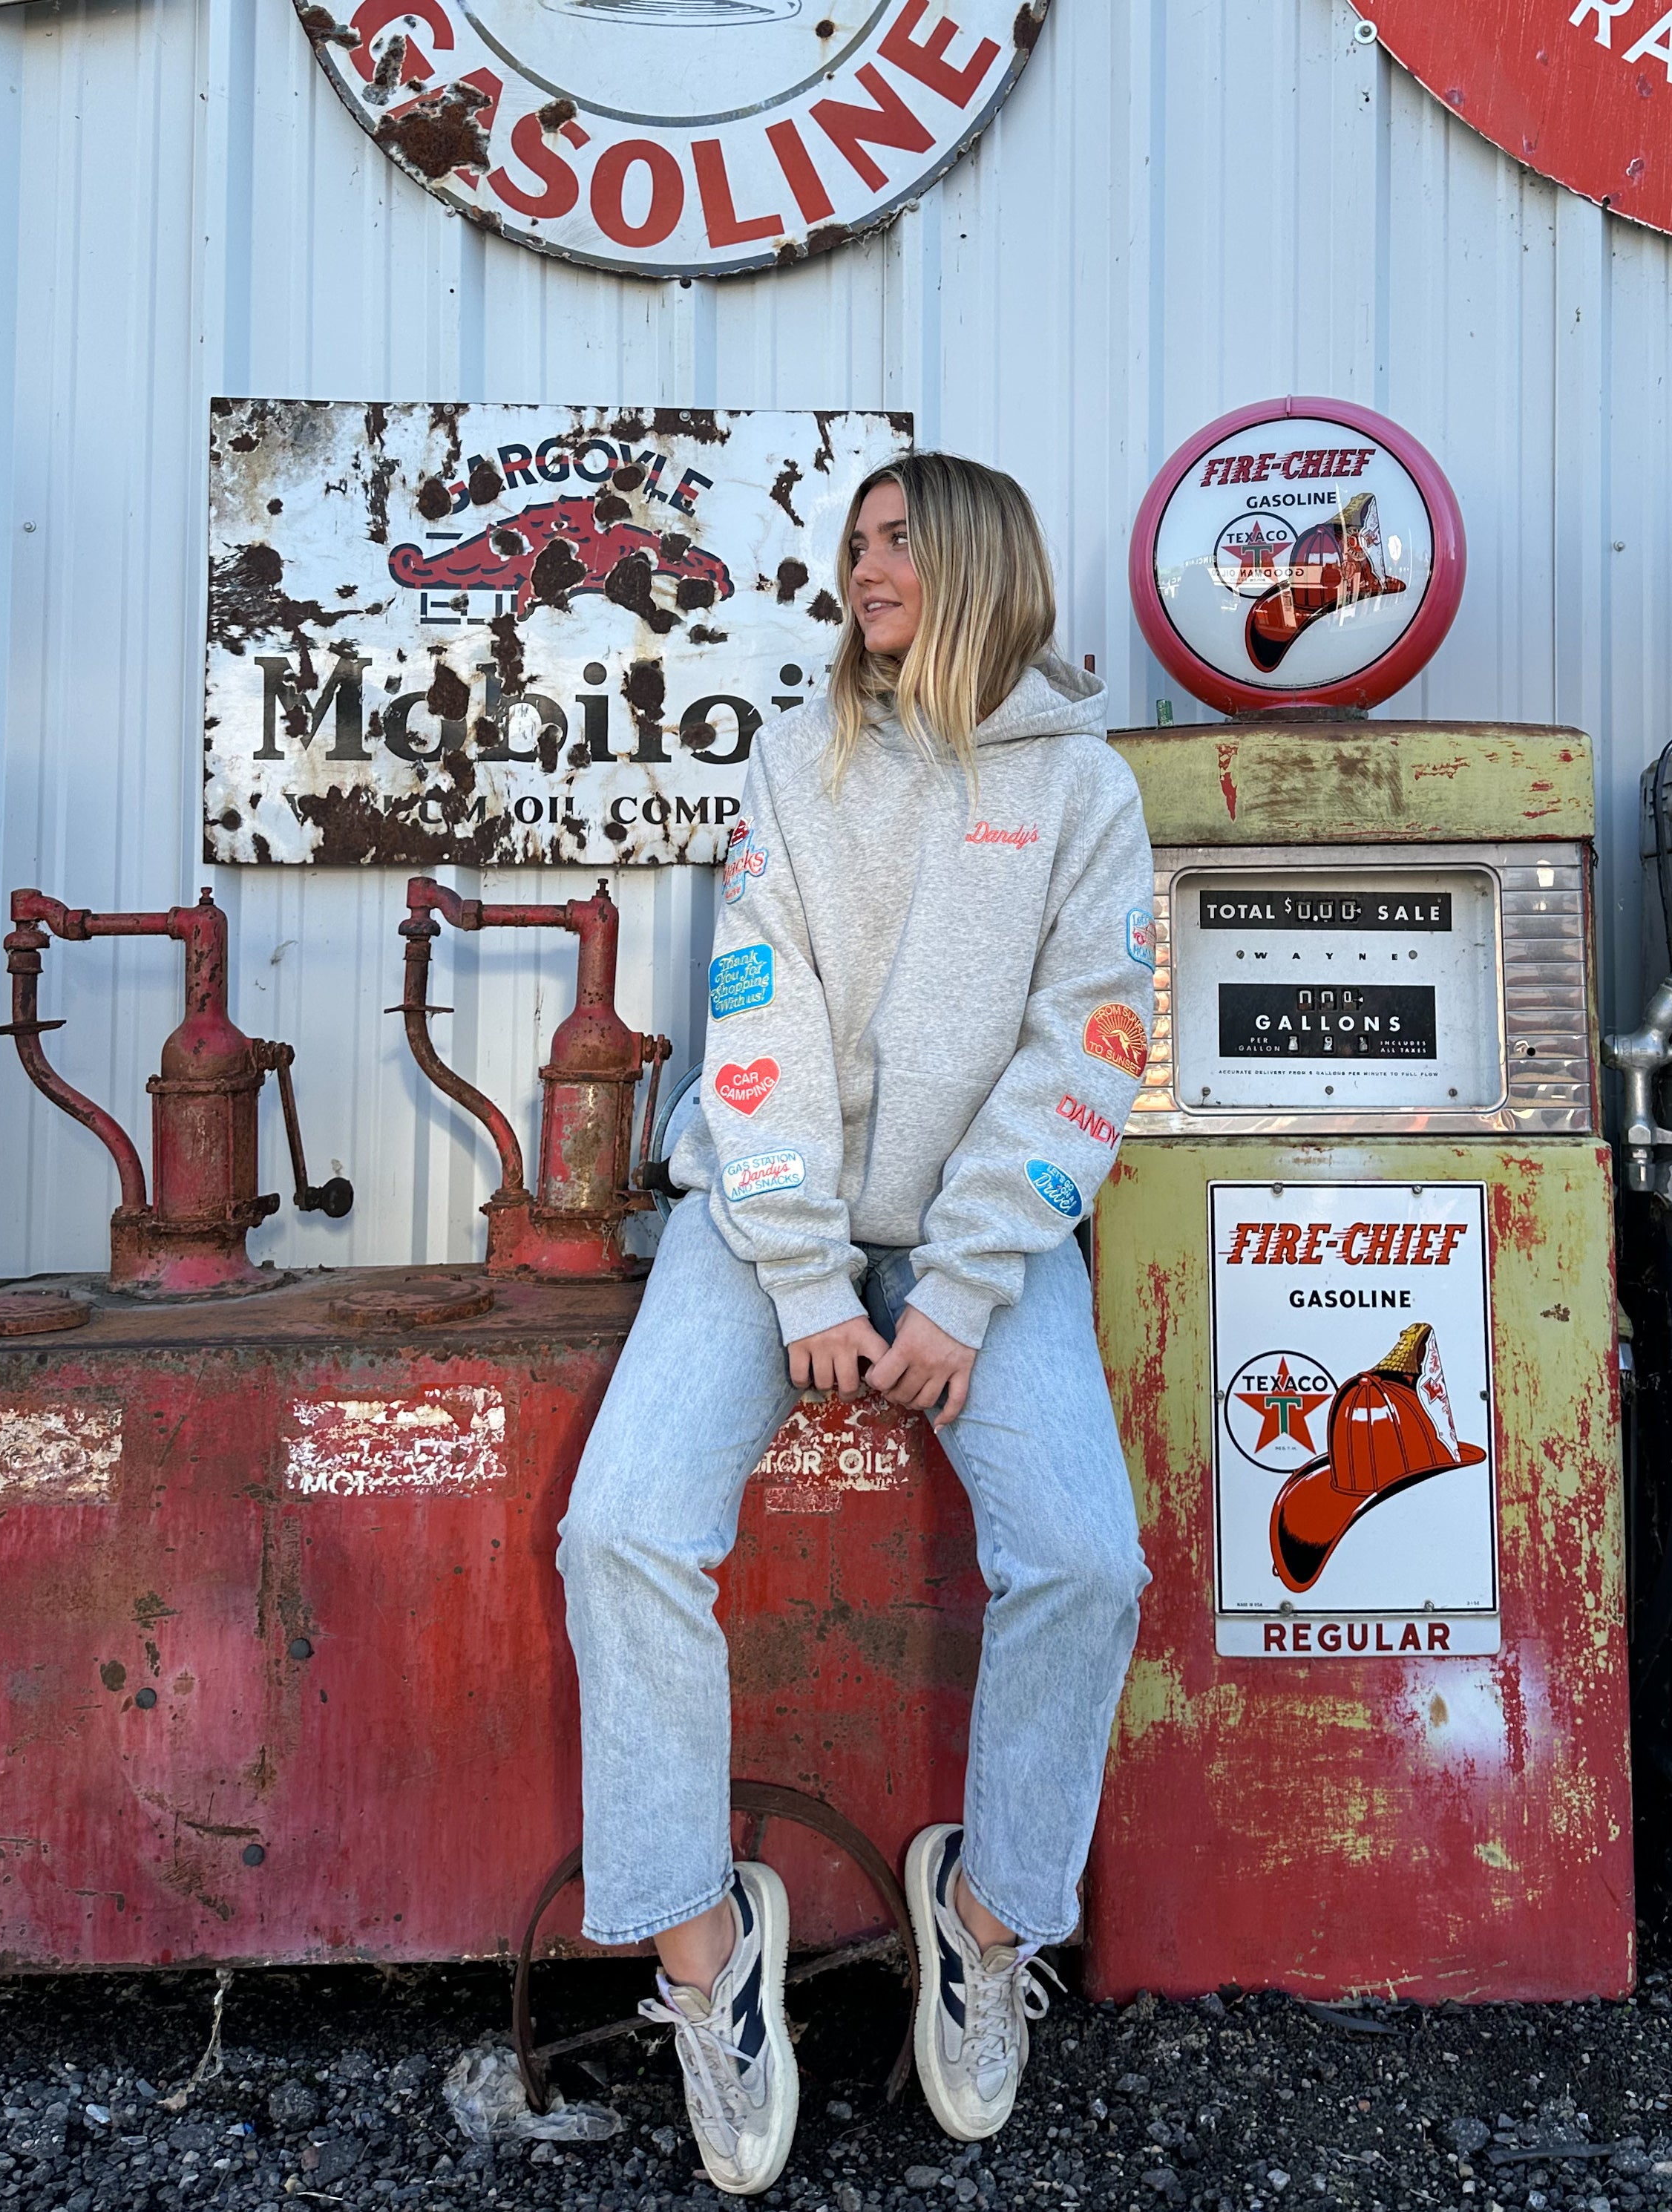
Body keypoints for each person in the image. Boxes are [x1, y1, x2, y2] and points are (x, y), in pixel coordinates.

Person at [557, 451, 1153, 2196]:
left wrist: (959, 1286)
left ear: (977, 561)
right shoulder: (796, 758)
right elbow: (759, 1015)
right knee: (621, 1527)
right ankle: (702, 1945)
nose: (864, 568)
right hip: (767, 1212)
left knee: (1085, 1558)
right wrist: (807, 1273)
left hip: (985, 1234)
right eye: (856, 542)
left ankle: (988, 1914)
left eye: (896, 541)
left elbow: (1086, 1048)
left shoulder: (1083, 789)